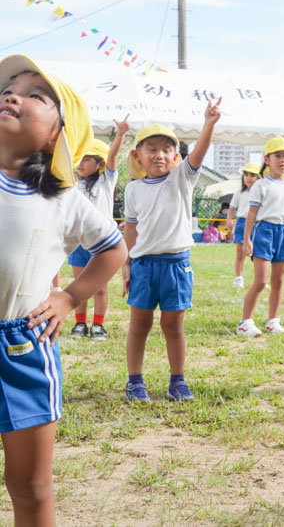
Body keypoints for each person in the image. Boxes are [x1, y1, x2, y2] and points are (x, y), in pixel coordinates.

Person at [0, 55, 126, 524]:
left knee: (31, 488)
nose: (12, 95)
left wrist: (70, 297)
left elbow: (114, 251)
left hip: (23, 348)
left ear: (58, 133)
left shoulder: (63, 199)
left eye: (35, 95)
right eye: (8, 89)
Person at [122, 99, 221, 402]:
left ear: (176, 156)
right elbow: (131, 229)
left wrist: (209, 124)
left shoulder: (182, 178)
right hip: (143, 265)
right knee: (139, 324)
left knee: (173, 326)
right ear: (137, 155)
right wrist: (126, 265)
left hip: (177, 265)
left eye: (166, 149)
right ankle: (134, 381)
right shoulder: (133, 189)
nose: (159, 154)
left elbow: (200, 152)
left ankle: (177, 381)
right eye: (151, 148)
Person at [236, 137, 284, 337]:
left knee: (279, 281)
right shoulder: (261, 185)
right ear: (267, 159)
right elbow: (251, 213)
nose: (283, 160)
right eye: (278, 156)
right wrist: (247, 239)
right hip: (264, 232)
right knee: (260, 281)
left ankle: (272, 321)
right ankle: (245, 322)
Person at [68, 116, 129, 339]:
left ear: (100, 164)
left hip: (102, 244)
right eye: (79, 158)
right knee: (79, 284)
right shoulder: (73, 182)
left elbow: (112, 156)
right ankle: (80, 323)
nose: (81, 163)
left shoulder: (106, 181)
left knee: (100, 287)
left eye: (87, 159)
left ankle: (98, 325)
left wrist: (120, 134)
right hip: (79, 241)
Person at [227, 162, 262, 288]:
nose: (248, 177)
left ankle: (259, 279)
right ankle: (239, 278)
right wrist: (229, 220)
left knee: (259, 254)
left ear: (259, 178)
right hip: (242, 223)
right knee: (240, 253)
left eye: (252, 175)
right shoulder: (239, 193)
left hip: (257, 225)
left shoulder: (262, 192)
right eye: (246, 175)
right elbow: (232, 208)